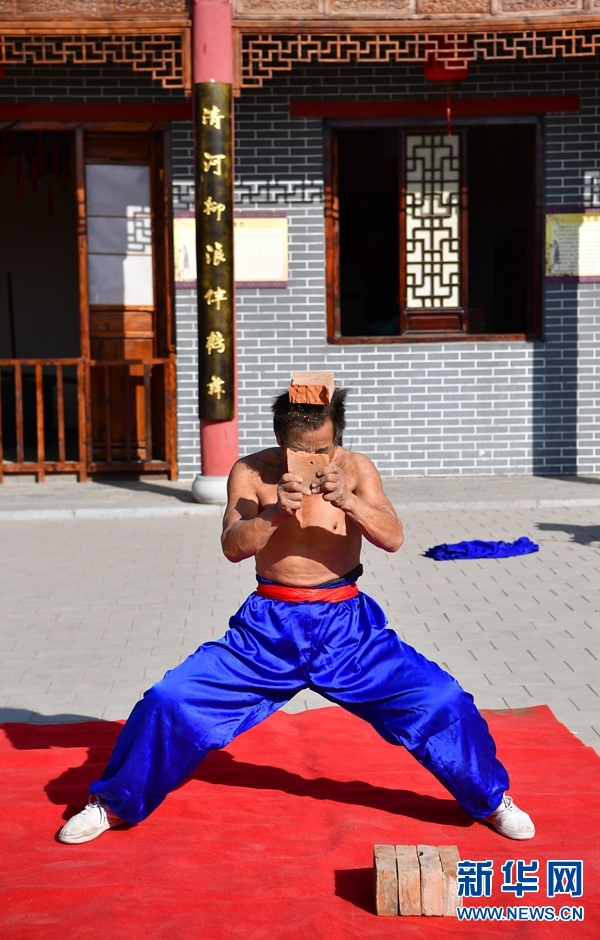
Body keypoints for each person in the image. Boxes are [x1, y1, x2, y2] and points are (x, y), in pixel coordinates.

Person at [58, 388, 535, 844]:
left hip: (347, 626)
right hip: (267, 628)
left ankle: (490, 799)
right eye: (300, 450)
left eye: (322, 448)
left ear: (336, 437)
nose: (313, 458)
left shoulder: (356, 467)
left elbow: (393, 537)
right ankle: (115, 803)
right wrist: (274, 515)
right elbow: (232, 547)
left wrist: (350, 500)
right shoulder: (251, 470)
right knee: (169, 699)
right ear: (279, 439)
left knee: (442, 699)